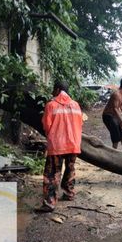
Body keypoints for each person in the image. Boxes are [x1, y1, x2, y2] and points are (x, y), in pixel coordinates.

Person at [39, 81, 83, 212]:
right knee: (70, 169)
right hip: (73, 144)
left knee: (52, 173)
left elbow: (46, 126)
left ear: (57, 90)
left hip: (57, 144)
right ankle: (69, 193)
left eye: (53, 89)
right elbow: (80, 124)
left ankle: (50, 203)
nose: (52, 92)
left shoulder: (51, 105)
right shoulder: (76, 105)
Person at [102, 78, 122, 152]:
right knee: (116, 135)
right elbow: (115, 109)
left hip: (115, 116)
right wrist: (121, 121)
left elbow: (121, 106)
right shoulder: (116, 94)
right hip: (108, 116)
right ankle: (114, 152)